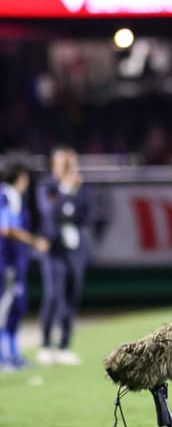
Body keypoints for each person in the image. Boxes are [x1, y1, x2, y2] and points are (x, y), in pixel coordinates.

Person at [35, 147, 91, 365]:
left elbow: (85, 214)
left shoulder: (81, 188)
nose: (69, 170)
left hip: (74, 250)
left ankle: (64, 345)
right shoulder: (47, 187)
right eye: (65, 165)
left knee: (72, 295)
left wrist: (71, 195)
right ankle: (45, 343)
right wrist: (65, 191)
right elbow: (49, 214)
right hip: (54, 250)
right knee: (53, 295)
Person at [0, 162, 49, 370]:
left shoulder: (13, 197)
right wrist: (33, 241)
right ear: (20, 177)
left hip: (15, 261)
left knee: (16, 307)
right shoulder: (6, 196)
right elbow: (6, 228)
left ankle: (13, 353)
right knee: (5, 307)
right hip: (6, 261)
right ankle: (3, 357)